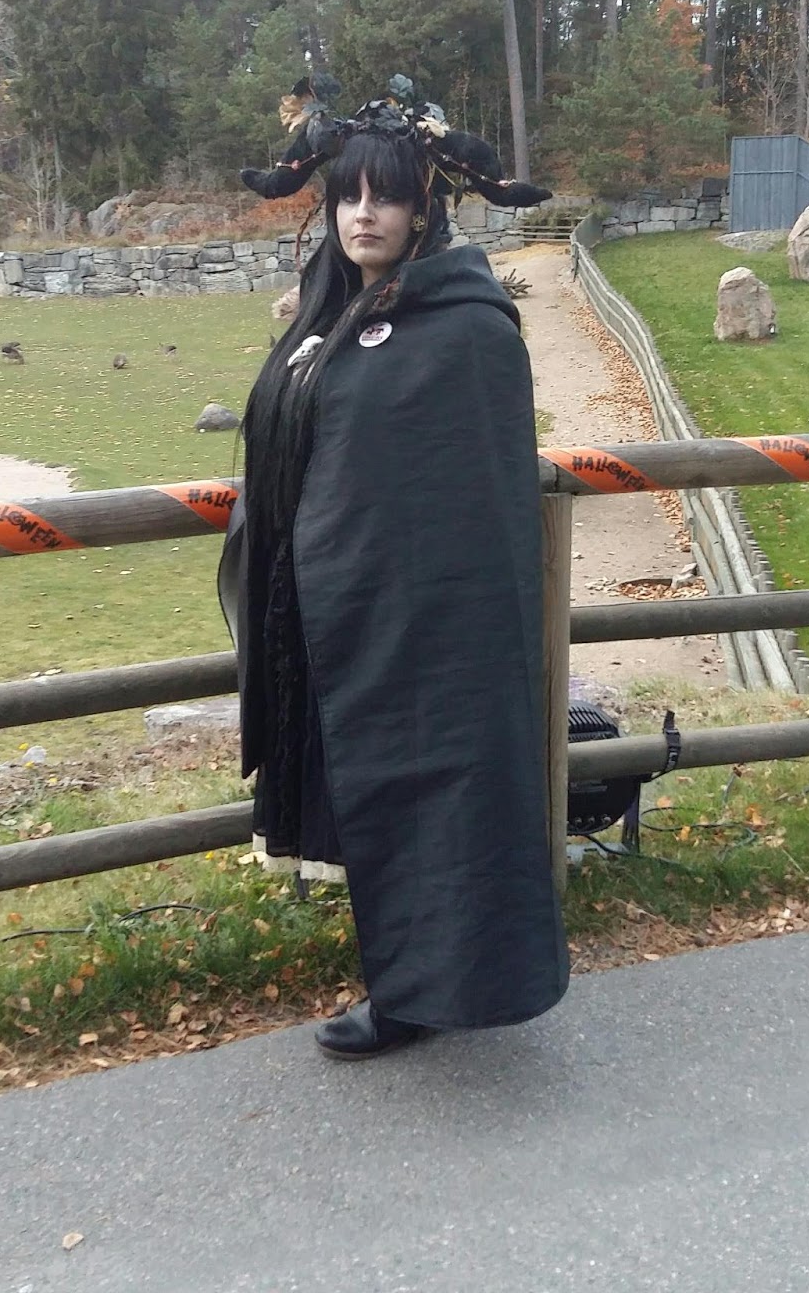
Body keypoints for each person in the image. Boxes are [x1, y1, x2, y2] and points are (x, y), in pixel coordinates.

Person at [218, 78, 569, 1060]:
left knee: (432, 796)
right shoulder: (331, 312)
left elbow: (463, 489)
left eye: (386, 196)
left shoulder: (464, 328)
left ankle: (422, 991)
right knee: (376, 798)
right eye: (348, 195)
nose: (363, 213)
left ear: (424, 209)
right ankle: (408, 981)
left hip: (430, 623)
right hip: (337, 605)